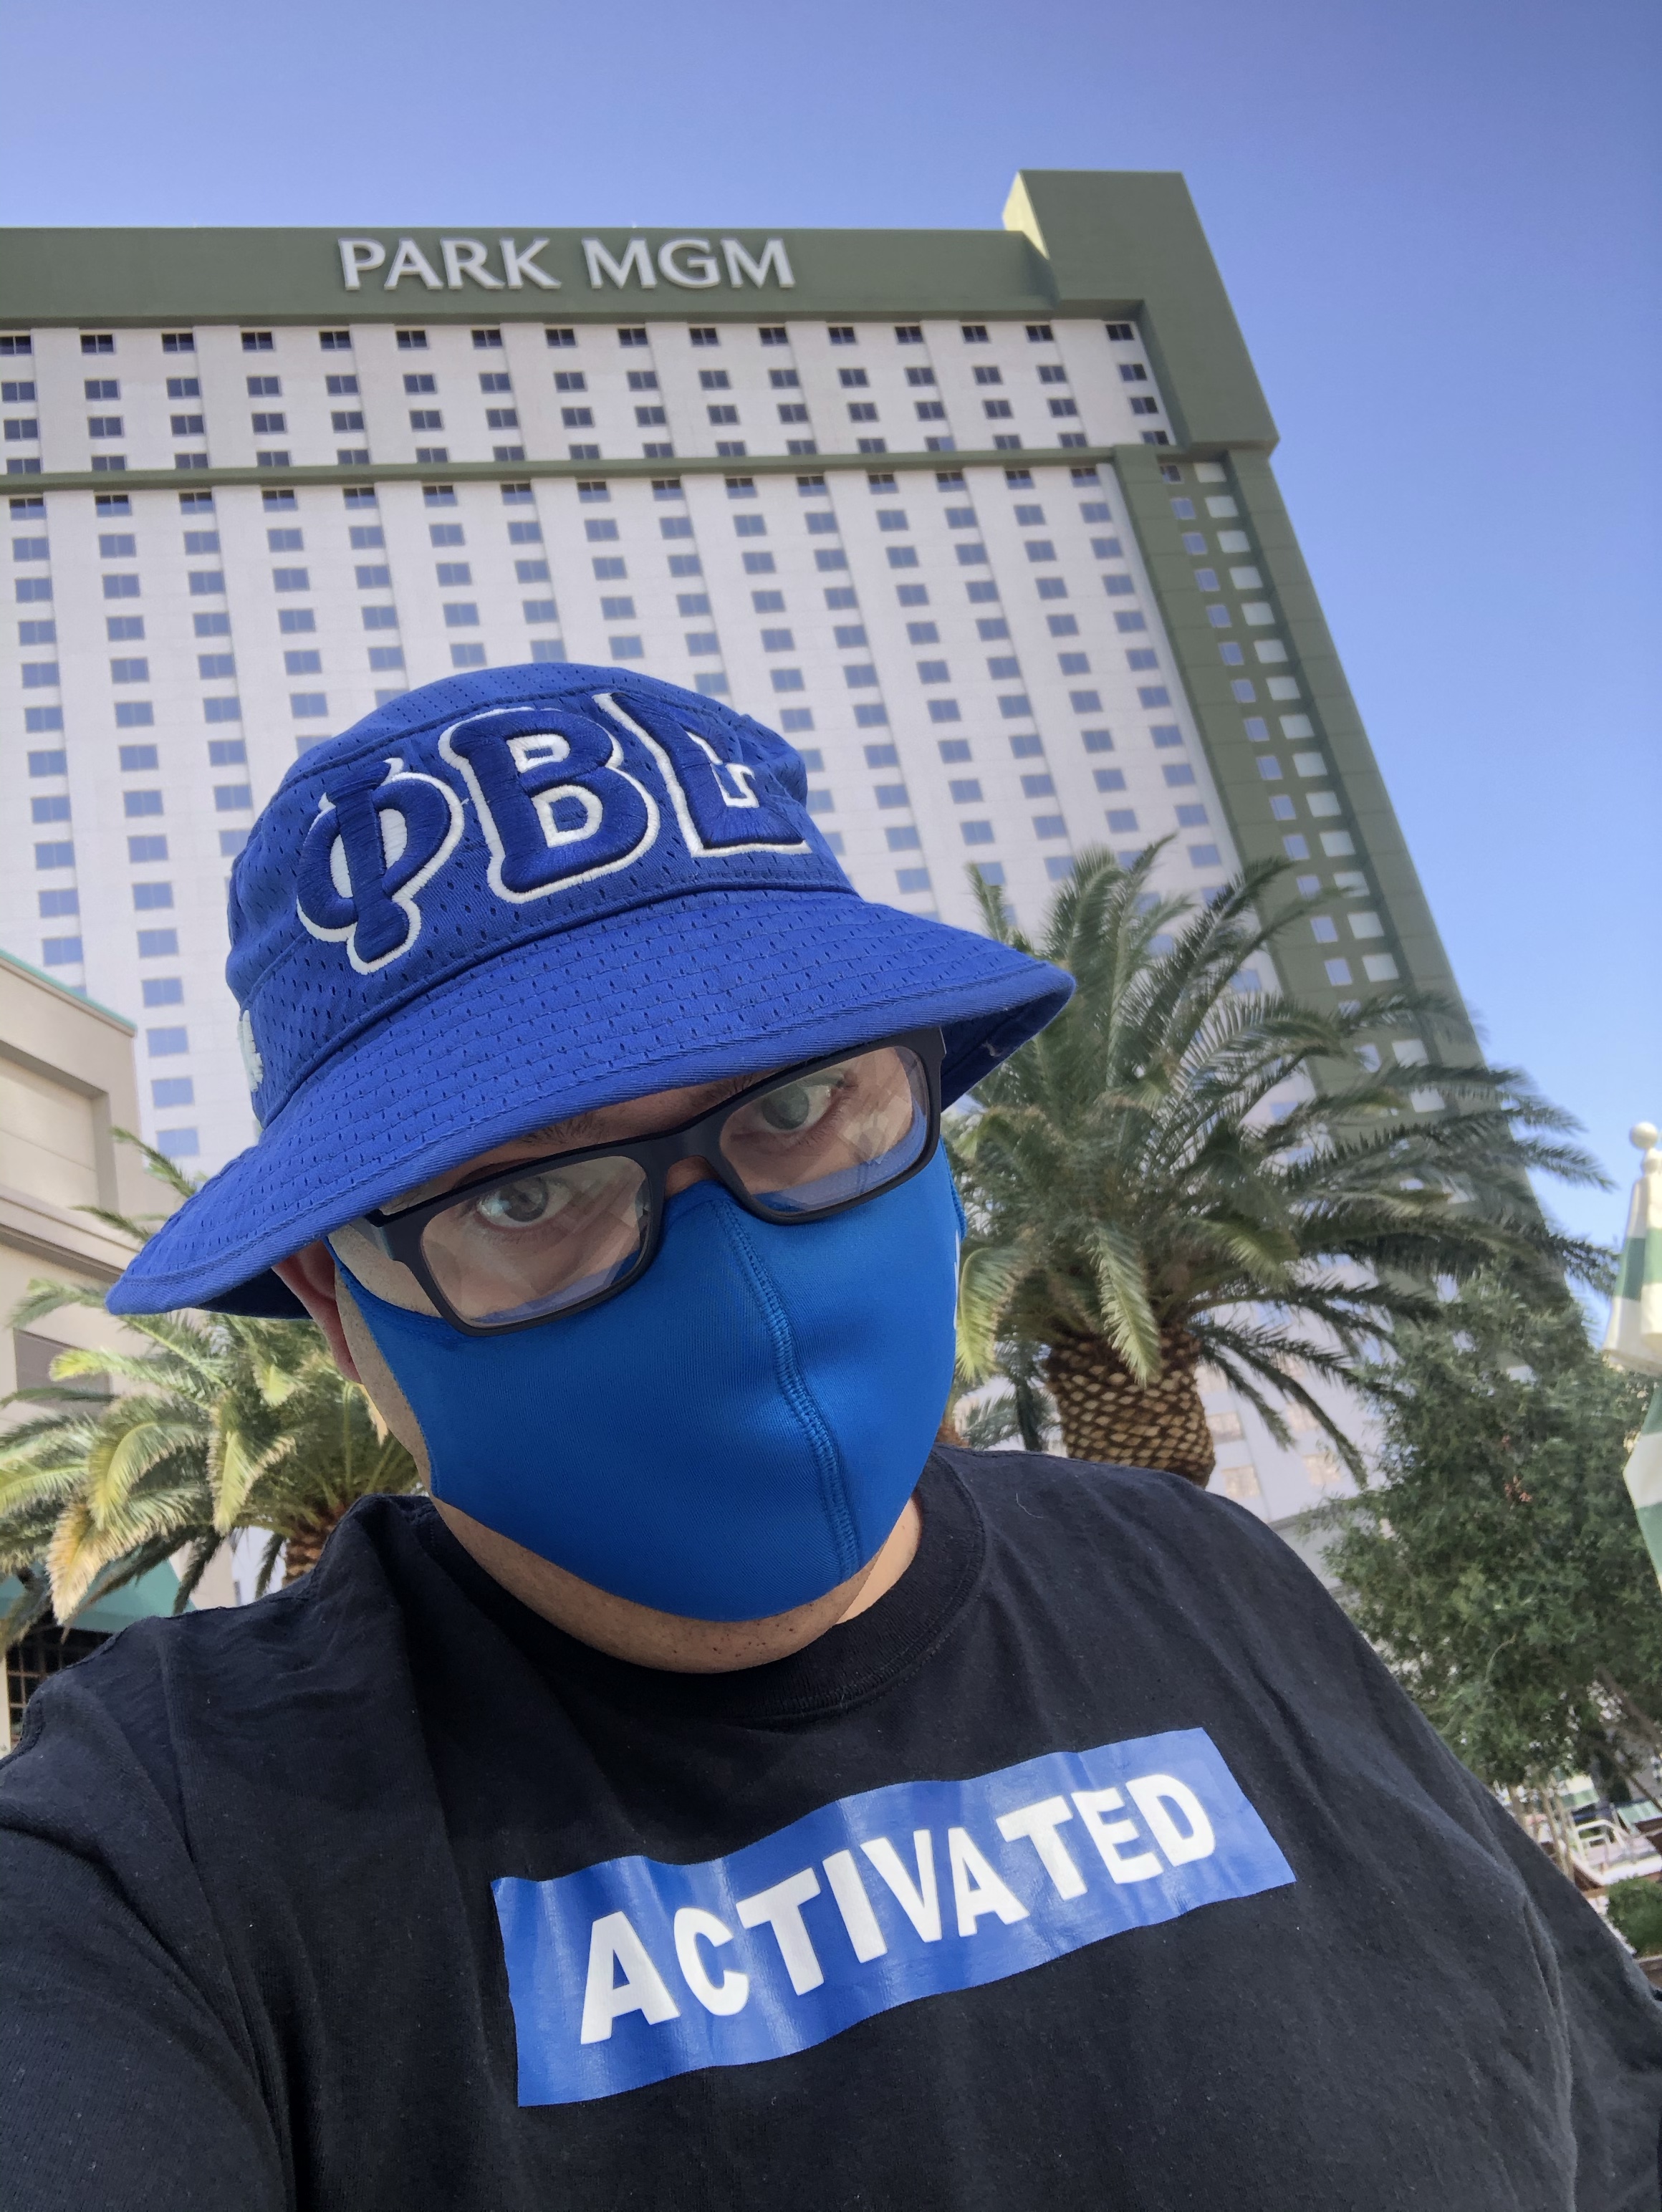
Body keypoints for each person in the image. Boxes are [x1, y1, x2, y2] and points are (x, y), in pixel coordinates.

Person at [2, 663, 1658, 2212]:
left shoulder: (1213, 1578)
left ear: (921, 1092)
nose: (733, 1279)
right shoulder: (165, 1840)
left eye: (794, 1107)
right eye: (522, 1194)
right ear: (338, 1302)